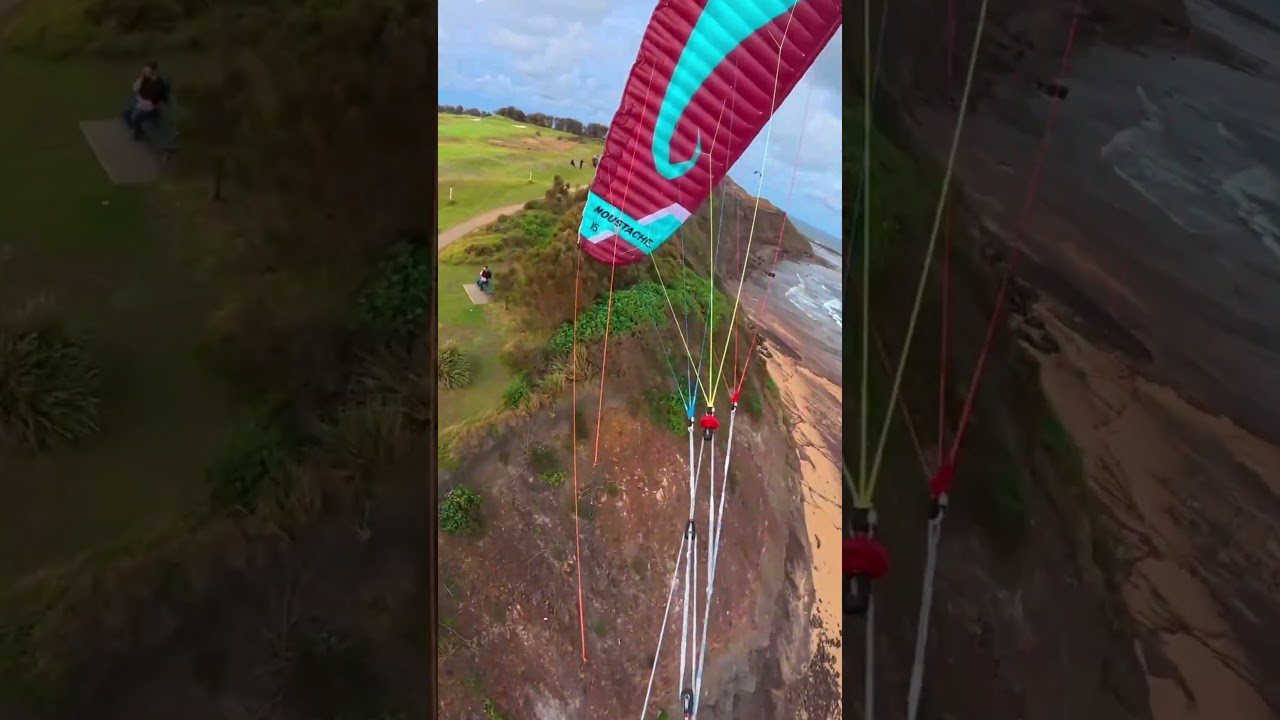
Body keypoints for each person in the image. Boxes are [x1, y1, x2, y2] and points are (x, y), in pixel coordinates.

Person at [123, 61, 169, 140]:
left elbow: (152, 97)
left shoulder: (159, 83)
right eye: (145, 70)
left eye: (147, 70)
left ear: (153, 71)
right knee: (126, 112)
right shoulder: (146, 79)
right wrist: (141, 79)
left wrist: (142, 97)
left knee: (134, 116)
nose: (145, 72)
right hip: (141, 100)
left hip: (151, 106)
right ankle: (135, 129)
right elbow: (135, 89)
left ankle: (138, 133)